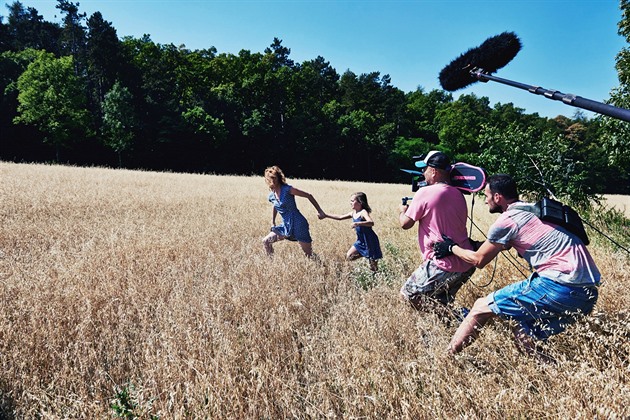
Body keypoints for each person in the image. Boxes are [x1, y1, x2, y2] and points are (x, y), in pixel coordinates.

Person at [433, 174, 600, 357]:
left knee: (480, 307)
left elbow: (479, 260)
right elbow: (501, 245)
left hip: (559, 285)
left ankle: (446, 358)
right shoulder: (534, 209)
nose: (486, 201)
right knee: (524, 332)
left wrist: (451, 248)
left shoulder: (507, 221)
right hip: (588, 294)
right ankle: (548, 373)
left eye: (487, 196)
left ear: (498, 197)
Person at [398, 150, 476, 316]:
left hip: (442, 262)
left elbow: (405, 224)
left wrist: (402, 211)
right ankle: (450, 328)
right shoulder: (458, 194)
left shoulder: (425, 192)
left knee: (408, 295)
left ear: (433, 171)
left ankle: (463, 317)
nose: (422, 173)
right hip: (464, 261)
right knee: (439, 302)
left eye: (424, 169)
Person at [262, 165, 326, 257]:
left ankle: (323, 268)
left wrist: (320, 211)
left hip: (298, 223)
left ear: (279, 178)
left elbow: (309, 195)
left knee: (308, 254)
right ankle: (271, 265)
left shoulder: (288, 189)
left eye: (274, 178)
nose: (273, 181)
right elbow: (275, 206)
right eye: (270, 179)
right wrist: (273, 222)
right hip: (285, 225)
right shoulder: (271, 196)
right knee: (266, 241)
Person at [323, 192, 383, 272]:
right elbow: (340, 217)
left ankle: (374, 278)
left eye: (352, 201)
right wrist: (326, 215)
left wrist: (358, 223)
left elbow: (371, 222)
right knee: (349, 256)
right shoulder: (353, 213)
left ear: (360, 202)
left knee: (373, 267)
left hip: (370, 240)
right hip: (360, 241)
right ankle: (362, 256)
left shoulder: (363, 212)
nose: (350, 203)